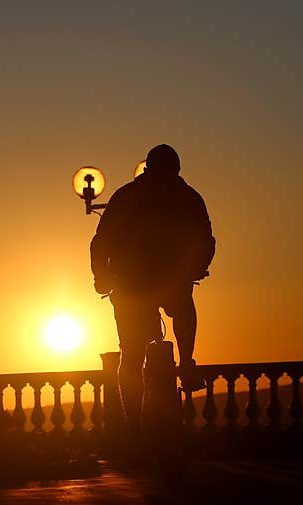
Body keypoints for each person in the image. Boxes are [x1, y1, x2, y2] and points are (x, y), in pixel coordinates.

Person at [90, 144, 215, 433]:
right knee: (178, 312)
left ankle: (134, 422)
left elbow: (100, 241)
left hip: (134, 282)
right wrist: (197, 267)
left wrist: (101, 277)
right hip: (152, 280)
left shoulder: (127, 196)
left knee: (131, 354)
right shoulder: (187, 196)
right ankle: (186, 365)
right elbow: (206, 240)